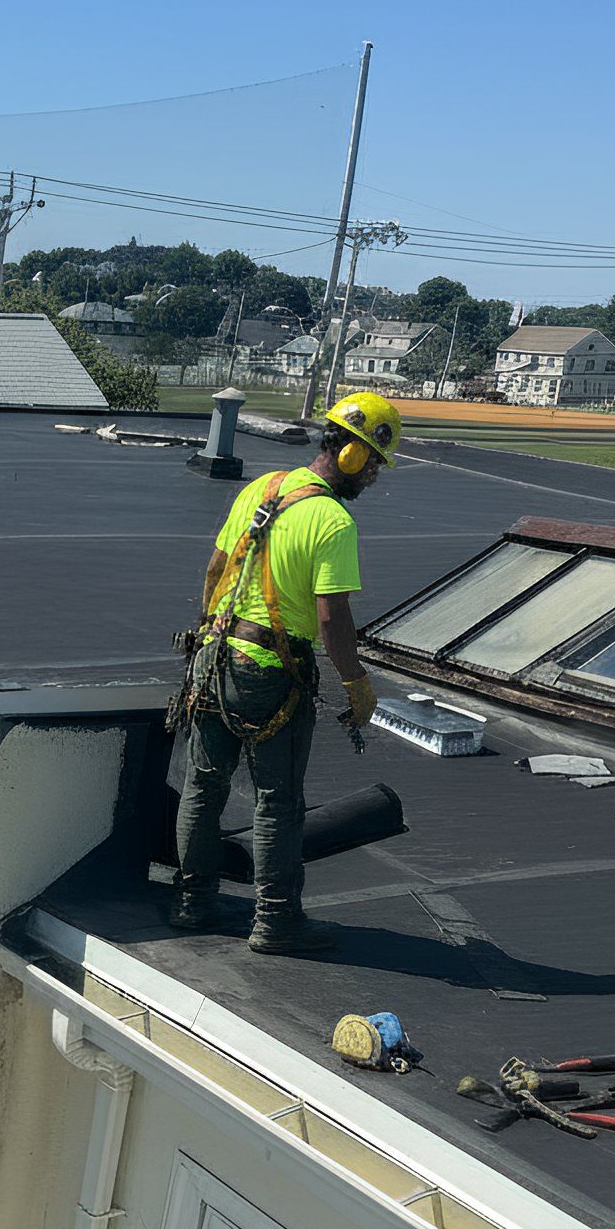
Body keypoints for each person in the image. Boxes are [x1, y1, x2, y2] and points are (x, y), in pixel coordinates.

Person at [170, 390, 400, 955]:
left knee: (203, 786)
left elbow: (217, 566)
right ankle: (275, 922)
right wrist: (357, 683)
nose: (372, 477)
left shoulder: (262, 488)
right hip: (270, 674)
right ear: (350, 455)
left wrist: (206, 629)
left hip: (214, 657)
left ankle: (193, 902)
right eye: (372, 463)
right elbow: (332, 616)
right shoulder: (333, 521)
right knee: (276, 801)